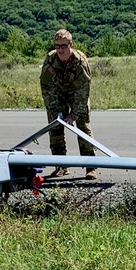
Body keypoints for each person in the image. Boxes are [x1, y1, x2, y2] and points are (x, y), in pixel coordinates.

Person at [40, 29, 98, 180]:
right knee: (55, 129)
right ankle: (61, 166)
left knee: (84, 129)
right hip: (58, 95)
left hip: (76, 95)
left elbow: (83, 92)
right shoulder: (50, 60)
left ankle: (91, 167)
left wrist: (74, 115)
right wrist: (53, 110)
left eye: (63, 46)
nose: (60, 49)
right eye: (57, 46)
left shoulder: (80, 61)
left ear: (70, 44)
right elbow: (46, 87)